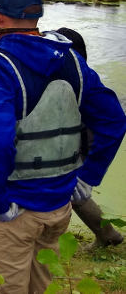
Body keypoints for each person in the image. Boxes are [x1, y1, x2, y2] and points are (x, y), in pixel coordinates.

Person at [0, 0, 126, 293]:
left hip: (11, 213)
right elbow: (114, 121)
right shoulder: (73, 62)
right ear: (37, 16)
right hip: (58, 210)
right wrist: (88, 177)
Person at [54, 27, 123, 247]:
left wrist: (89, 174)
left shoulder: (80, 78)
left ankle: (106, 236)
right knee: (70, 186)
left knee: (72, 186)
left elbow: (114, 121)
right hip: (83, 130)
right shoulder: (79, 73)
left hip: (91, 131)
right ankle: (108, 235)